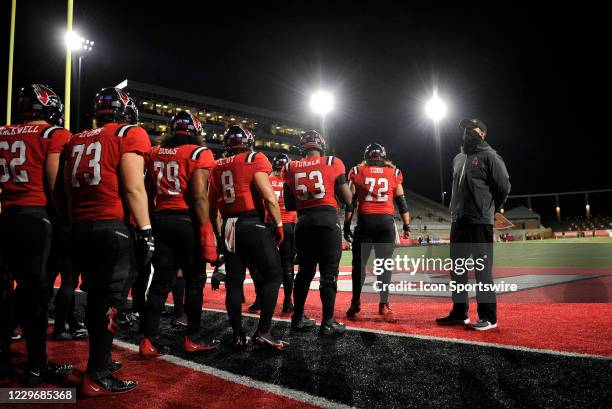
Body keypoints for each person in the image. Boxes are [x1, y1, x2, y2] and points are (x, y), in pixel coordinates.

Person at [64, 87, 153, 395]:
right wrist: (145, 230)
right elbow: (133, 188)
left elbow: (65, 188)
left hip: (80, 226)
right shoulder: (130, 132)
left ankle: (98, 359)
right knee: (110, 301)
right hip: (111, 226)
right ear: (126, 112)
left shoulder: (76, 138)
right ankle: (97, 373)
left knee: (94, 298)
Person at [0, 84, 73, 385]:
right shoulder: (54, 135)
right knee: (36, 295)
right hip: (36, 219)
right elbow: (55, 184)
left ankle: (5, 356)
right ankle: (36, 365)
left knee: (11, 293)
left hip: (7, 218)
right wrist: (66, 221)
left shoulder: (3, 132)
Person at [139, 110, 219, 357]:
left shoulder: (153, 153)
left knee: (160, 283)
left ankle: (148, 340)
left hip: (160, 219)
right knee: (195, 282)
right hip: (187, 221)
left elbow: (147, 190)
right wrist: (207, 229)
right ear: (196, 131)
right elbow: (197, 196)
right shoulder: (199, 153)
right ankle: (191, 337)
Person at [208, 124, 286, 349]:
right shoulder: (254, 158)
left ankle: (237, 335)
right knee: (274, 274)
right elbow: (269, 198)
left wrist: (219, 233)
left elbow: (212, 207)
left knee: (234, 284)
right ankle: (263, 331)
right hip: (251, 223)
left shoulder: (216, 165)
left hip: (229, 226)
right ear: (248, 142)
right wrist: (278, 224)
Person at [436, 118, 510, 331]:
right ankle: (460, 313)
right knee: (457, 270)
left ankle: (489, 317)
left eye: (472, 129)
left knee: (482, 270)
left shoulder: (491, 157)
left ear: (482, 133)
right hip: (459, 221)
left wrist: (490, 208)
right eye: (465, 129)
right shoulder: (458, 158)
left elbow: (503, 187)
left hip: (479, 221)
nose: (468, 132)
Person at [283, 130, 353, 336]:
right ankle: (327, 322)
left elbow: (288, 204)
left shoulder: (290, 167)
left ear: (302, 148)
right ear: (320, 146)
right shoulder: (332, 161)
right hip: (327, 222)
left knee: (304, 274)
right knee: (328, 275)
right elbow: (348, 199)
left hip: (303, 224)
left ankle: (297, 319)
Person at [343, 143, 410, 320]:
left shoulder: (357, 171)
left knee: (359, 266)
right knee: (384, 266)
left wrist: (346, 225)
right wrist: (406, 226)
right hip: (385, 224)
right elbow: (402, 203)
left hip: (365, 223)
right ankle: (383, 304)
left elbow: (350, 202)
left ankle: (355, 303)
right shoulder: (394, 172)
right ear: (383, 156)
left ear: (367, 156)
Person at [267, 153, 297, 313]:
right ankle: (288, 300)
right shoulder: (291, 181)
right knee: (287, 265)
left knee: (263, 264)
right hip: (289, 226)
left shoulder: (267, 180)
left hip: (271, 225)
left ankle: (260, 299)